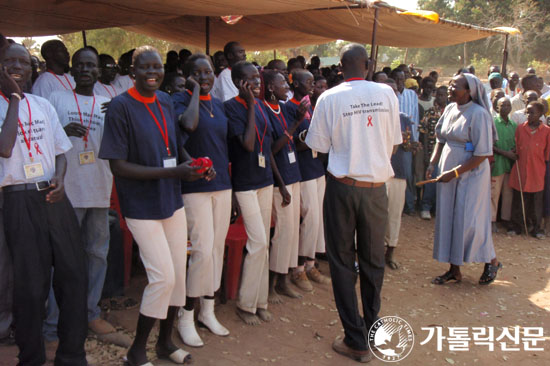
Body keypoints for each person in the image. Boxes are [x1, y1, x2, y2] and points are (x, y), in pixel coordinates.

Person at [99, 45, 206, 366]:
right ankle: (136, 351)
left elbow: (174, 144)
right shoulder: (120, 107)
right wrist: (176, 171)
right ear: (132, 73)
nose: (152, 73)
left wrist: (196, 165)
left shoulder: (163, 100)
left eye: (157, 67)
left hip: (170, 200)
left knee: (178, 275)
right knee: (162, 277)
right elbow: (118, 166)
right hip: (141, 206)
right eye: (144, 68)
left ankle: (165, 344)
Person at [305, 44, 401, 363]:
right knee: (374, 261)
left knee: (342, 262)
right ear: (368, 64)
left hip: (343, 188)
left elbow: (317, 146)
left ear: (341, 67)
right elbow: (394, 144)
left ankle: (356, 339)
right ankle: (373, 329)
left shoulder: (329, 97)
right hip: (376, 189)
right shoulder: (387, 93)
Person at [0, 41, 88, 366]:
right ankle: (32, 358)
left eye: (23, 62)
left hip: (53, 195)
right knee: (30, 286)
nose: (17, 67)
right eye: (9, 61)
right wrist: (12, 98)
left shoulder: (42, 105)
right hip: (17, 200)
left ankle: (71, 355)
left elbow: (60, 152)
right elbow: (5, 147)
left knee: (74, 276)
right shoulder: (6, 104)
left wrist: (61, 179)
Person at [46, 47, 131, 346]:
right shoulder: (56, 99)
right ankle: (54, 323)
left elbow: (124, 144)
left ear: (98, 71)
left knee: (96, 255)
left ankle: (90, 312)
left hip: (98, 189)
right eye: (80, 64)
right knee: (62, 259)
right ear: (72, 69)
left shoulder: (111, 102)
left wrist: (119, 116)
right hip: (65, 192)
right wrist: (61, 130)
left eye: (91, 65)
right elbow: (42, 138)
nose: (85, 69)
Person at [172, 54, 232, 347]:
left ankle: (208, 310)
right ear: (188, 77)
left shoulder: (219, 105)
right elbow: (188, 126)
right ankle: (185, 314)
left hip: (222, 184)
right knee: (202, 250)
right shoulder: (180, 102)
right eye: (198, 73)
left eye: (208, 72)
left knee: (217, 249)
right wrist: (194, 90)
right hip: (194, 185)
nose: (206, 76)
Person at [224, 61, 284, 326]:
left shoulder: (261, 106)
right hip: (245, 183)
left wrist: (278, 181)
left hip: (264, 180)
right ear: (239, 83)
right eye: (250, 80)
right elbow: (248, 144)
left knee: (264, 243)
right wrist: (249, 105)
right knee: (257, 241)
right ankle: (245, 304)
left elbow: (267, 146)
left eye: (257, 78)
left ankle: (260, 301)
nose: (257, 83)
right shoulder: (232, 108)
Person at [427, 73, 501, 286]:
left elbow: (481, 154)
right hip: (448, 171)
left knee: (470, 221)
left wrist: (455, 173)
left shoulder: (479, 115)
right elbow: (440, 140)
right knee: (449, 218)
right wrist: (433, 163)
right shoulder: (450, 109)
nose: (450, 88)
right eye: (450, 84)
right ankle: (454, 270)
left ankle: (492, 260)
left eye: (455, 86)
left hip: (471, 174)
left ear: (469, 91)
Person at [262, 70, 304, 301]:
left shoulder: (283, 108)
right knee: (281, 233)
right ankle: (271, 286)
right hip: (281, 181)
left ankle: (284, 279)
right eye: (282, 84)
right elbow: (271, 151)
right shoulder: (264, 111)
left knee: (291, 232)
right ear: (269, 87)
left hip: (293, 173)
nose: (287, 87)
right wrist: (296, 122)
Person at [287, 70, 330, 289]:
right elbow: (291, 141)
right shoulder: (290, 107)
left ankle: (311, 263)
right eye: (308, 82)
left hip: (316, 167)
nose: (312, 86)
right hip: (302, 169)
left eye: (314, 83)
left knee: (317, 218)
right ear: (294, 84)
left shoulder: (312, 106)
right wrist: (313, 139)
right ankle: (298, 268)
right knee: (309, 217)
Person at [383, 78, 416, 270]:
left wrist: (411, 145)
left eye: (395, 92)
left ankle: (391, 250)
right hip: (379, 171)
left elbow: (407, 144)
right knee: (377, 214)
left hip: (398, 171)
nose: (393, 95)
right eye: (389, 91)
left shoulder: (403, 118)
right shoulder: (374, 115)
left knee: (395, 213)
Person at [508, 100, 550, 238]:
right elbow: (517, 145)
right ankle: (516, 226)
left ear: (540, 114)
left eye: (532, 112)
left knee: (536, 202)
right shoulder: (520, 128)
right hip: (520, 170)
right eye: (527, 112)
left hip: (537, 171)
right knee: (518, 200)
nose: (528, 115)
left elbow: (547, 154)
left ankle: (536, 229)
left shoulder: (547, 131)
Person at [391, 67, 419, 215]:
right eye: (397, 79)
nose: (399, 82)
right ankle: (396, 206)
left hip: (407, 141)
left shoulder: (411, 95)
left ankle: (409, 205)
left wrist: (414, 140)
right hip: (393, 140)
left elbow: (415, 116)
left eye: (402, 79)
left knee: (406, 173)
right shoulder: (390, 95)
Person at [419, 85, 448, 220]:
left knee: (443, 182)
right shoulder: (430, 112)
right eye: (439, 95)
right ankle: (426, 207)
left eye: (444, 95)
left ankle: (438, 209)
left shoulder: (451, 113)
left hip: (447, 154)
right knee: (431, 180)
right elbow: (424, 133)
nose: (441, 97)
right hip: (432, 152)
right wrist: (426, 154)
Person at [491, 97, 516, 233]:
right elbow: (490, 145)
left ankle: (506, 219)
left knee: (508, 194)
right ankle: (491, 220)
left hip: (510, 165)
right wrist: (506, 153)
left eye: (508, 105)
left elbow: (515, 143)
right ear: (497, 108)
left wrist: (513, 152)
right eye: (502, 105)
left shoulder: (513, 125)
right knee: (493, 193)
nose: (505, 108)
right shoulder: (493, 123)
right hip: (497, 163)